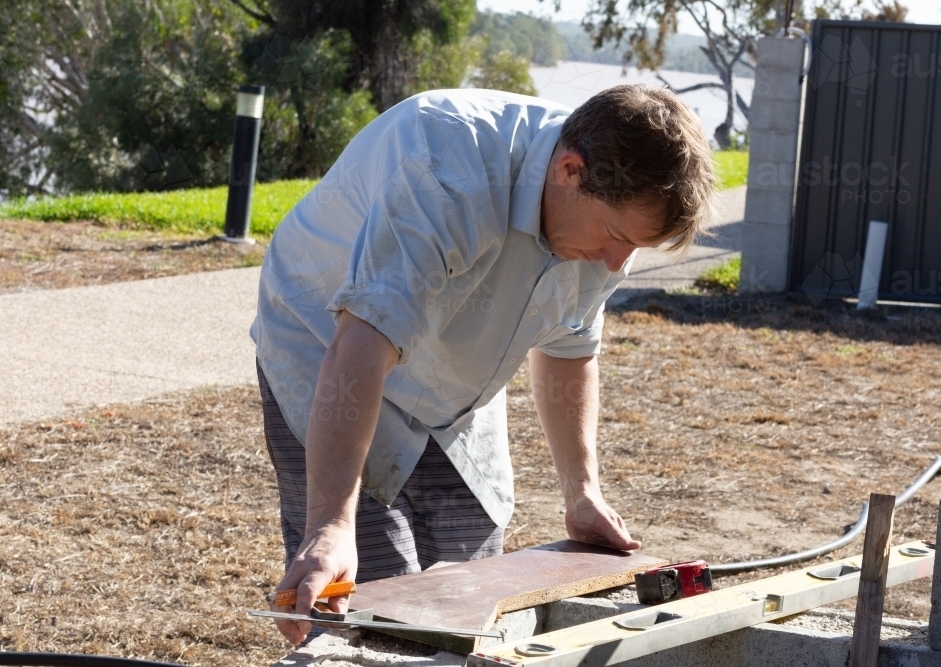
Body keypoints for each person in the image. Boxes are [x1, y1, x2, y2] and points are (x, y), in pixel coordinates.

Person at [250, 83, 715, 644]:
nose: (619, 263)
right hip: (329, 345)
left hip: (455, 374)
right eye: (616, 236)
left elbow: (570, 347)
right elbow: (360, 348)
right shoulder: (447, 170)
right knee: (374, 603)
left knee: (472, 597)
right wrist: (329, 525)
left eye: (634, 247)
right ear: (570, 170)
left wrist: (582, 491)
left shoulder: (600, 215)